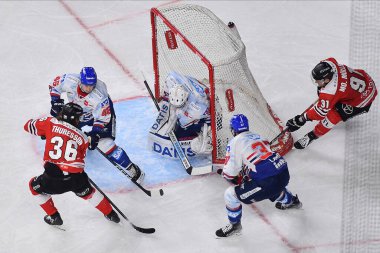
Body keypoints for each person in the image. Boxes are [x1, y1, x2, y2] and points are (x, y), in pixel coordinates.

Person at [25, 103, 120, 226]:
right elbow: (80, 155)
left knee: (34, 186)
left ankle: (54, 217)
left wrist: (45, 132)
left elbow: (27, 126)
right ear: (74, 119)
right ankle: (111, 214)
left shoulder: (51, 123)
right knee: (89, 193)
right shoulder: (83, 137)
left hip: (52, 179)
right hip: (76, 179)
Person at [49, 67, 144, 183]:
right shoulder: (70, 80)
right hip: (79, 112)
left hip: (102, 114)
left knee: (105, 143)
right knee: (64, 128)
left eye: (92, 85)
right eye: (86, 85)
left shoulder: (99, 96)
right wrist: (55, 102)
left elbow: (103, 118)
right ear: (80, 81)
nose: (89, 88)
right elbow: (54, 85)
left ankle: (132, 168)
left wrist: (95, 134)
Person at [215, 114, 302, 238]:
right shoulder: (259, 136)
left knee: (230, 195)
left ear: (233, 129)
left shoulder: (235, 142)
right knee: (269, 186)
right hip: (283, 171)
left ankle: (235, 226)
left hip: (268, 180)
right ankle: (292, 201)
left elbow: (230, 173)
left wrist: (227, 174)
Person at [286, 57, 377, 149]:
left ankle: (312, 136)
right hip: (364, 79)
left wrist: (302, 119)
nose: (316, 82)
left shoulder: (330, 91)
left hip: (363, 98)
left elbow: (320, 113)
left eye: (319, 80)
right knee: (323, 93)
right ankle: (335, 100)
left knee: (333, 117)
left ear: (327, 80)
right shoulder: (330, 63)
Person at [148, 71, 212, 157]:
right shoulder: (171, 79)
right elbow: (170, 80)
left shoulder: (197, 107)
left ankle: (205, 136)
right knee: (175, 114)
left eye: (180, 105)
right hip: (197, 93)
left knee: (182, 131)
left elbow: (207, 119)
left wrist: (205, 135)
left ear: (185, 98)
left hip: (207, 109)